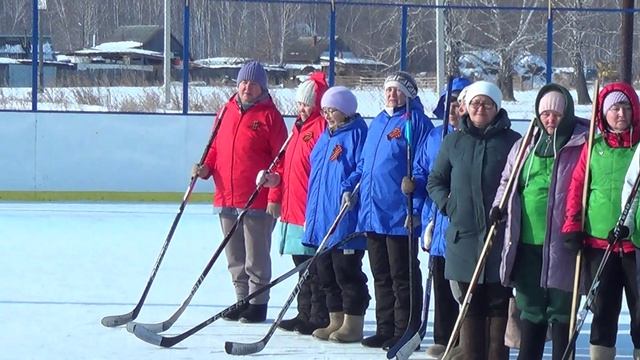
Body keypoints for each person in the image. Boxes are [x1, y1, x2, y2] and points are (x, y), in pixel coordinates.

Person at [427, 80, 521, 360]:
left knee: (498, 307)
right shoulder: (453, 141)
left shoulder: (513, 142)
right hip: (463, 240)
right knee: (470, 307)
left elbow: (521, 184)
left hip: (499, 240)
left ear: (497, 108)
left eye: (488, 104)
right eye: (476, 103)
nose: (481, 108)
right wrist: (450, 205)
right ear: (466, 108)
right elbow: (436, 181)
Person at [494, 84, 587, 360]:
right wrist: (498, 206)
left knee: (561, 308)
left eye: (556, 114)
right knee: (531, 306)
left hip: (563, 242)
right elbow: (507, 181)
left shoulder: (581, 143)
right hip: (526, 241)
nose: (550, 119)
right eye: (545, 113)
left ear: (566, 114)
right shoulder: (526, 145)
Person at [194, 60, 287, 323]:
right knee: (234, 255)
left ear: (262, 87)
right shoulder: (225, 111)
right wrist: (205, 168)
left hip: (256, 198)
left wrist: (274, 192)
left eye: (253, 83)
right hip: (226, 196)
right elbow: (214, 148)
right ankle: (242, 299)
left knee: (255, 255)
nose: (247, 87)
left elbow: (281, 159)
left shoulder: (270, 116)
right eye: (243, 82)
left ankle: (258, 303)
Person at [355, 71, 434, 350]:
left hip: (400, 213)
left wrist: (417, 196)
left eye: (398, 90)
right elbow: (366, 164)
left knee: (402, 274)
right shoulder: (378, 121)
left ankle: (406, 328)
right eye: (389, 90)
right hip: (373, 212)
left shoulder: (415, 122)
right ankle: (385, 327)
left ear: (409, 94)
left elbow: (424, 165)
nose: (392, 94)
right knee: (381, 273)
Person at [561, 82, 640, 359]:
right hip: (598, 243)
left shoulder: (639, 149)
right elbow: (577, 188)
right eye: (614, 108)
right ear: (604, 114)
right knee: (602, 309)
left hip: (635, 244)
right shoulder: (593, 148)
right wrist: (572, 225)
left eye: (626, 107)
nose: (621, 114)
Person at [258, 72, 330, 335]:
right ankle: (304, 311)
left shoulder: (320, 127)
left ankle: (318, 314)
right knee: (301, 265)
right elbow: (286, 165)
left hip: (309, 209)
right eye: (299, 104)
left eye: (306, 104)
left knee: (313, 266)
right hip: (293, 207)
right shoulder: (297, 129)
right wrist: (275, 187)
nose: (301, 109)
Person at [301, 86, 370, 343]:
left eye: (333, 110)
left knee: (346, 272)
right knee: (326, 271)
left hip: (344, 218)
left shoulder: (358, 134)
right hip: (322, 219)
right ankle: (335, 319)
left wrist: (349, 189)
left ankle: (353, 321)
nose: (328, 115)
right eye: (325, 110)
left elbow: (362, 168)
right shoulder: (326, 136)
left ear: (346, 110)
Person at [413, 76, 470, 359]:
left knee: (462, 287)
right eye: (449, 103)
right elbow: (423, 174)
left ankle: (464, 341)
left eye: (459, 103)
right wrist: (418, 206)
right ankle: (444, 338)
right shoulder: (435, 136)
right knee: (440, 283)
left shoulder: (471, 137)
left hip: (461, 223)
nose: (453, 109)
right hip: (436, 220)